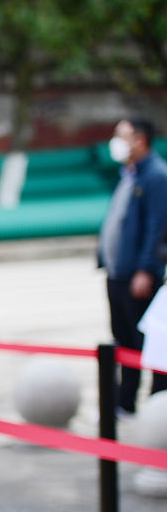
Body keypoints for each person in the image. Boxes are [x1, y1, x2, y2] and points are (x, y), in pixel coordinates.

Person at [99, 118, 167, 414]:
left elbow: (157, 228)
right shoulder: (129, 174)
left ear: (139, 140)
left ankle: (158, 407)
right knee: (124, 340)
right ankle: (125, 403)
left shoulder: (156, 176)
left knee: (150, 343)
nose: (116, 141)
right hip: (118, 273)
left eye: (122, 136)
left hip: (137, 276)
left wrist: (146, 269)